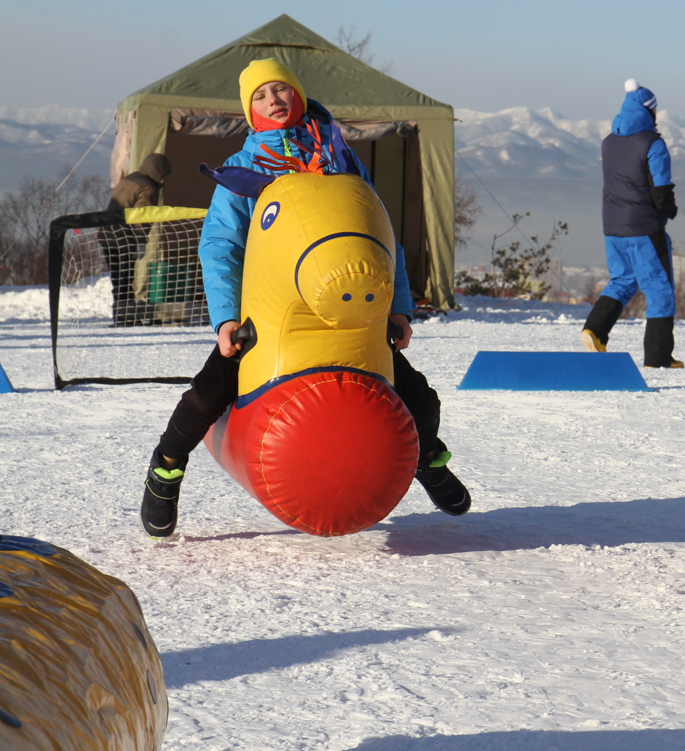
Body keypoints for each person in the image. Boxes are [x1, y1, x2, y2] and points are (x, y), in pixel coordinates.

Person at [140, 59, 470, 538]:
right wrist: (227, 320)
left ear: (297, 95)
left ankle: (427, 460)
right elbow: (221, 246)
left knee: (419, 397)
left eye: (281, 90)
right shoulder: (242, 169)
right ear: (249, 112)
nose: (273, 99)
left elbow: (379, 234)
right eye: (260, 95)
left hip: (348, 314)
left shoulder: (340, 157)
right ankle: (166, 468)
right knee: (207, 393)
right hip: (273, 318)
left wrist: (396, 305)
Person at [580, 79, 682, 368]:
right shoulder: (653, 143)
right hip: (644, 227)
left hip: (612, 226)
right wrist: (668, 211)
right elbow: (660, 188)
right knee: (659, 289)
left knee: (622, 281)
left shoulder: (608, 141)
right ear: (650, 112)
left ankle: (595, 330)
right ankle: (658, 356)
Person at [100, 152, 171, 326]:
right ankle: (127, 317)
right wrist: (140, 242)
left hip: (106, 235)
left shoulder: (129, 179)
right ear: (159, 172)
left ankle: (121, 316)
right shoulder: (148, 188)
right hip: (124, 238)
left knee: (118, 279)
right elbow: (142, 218)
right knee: (125, 278)